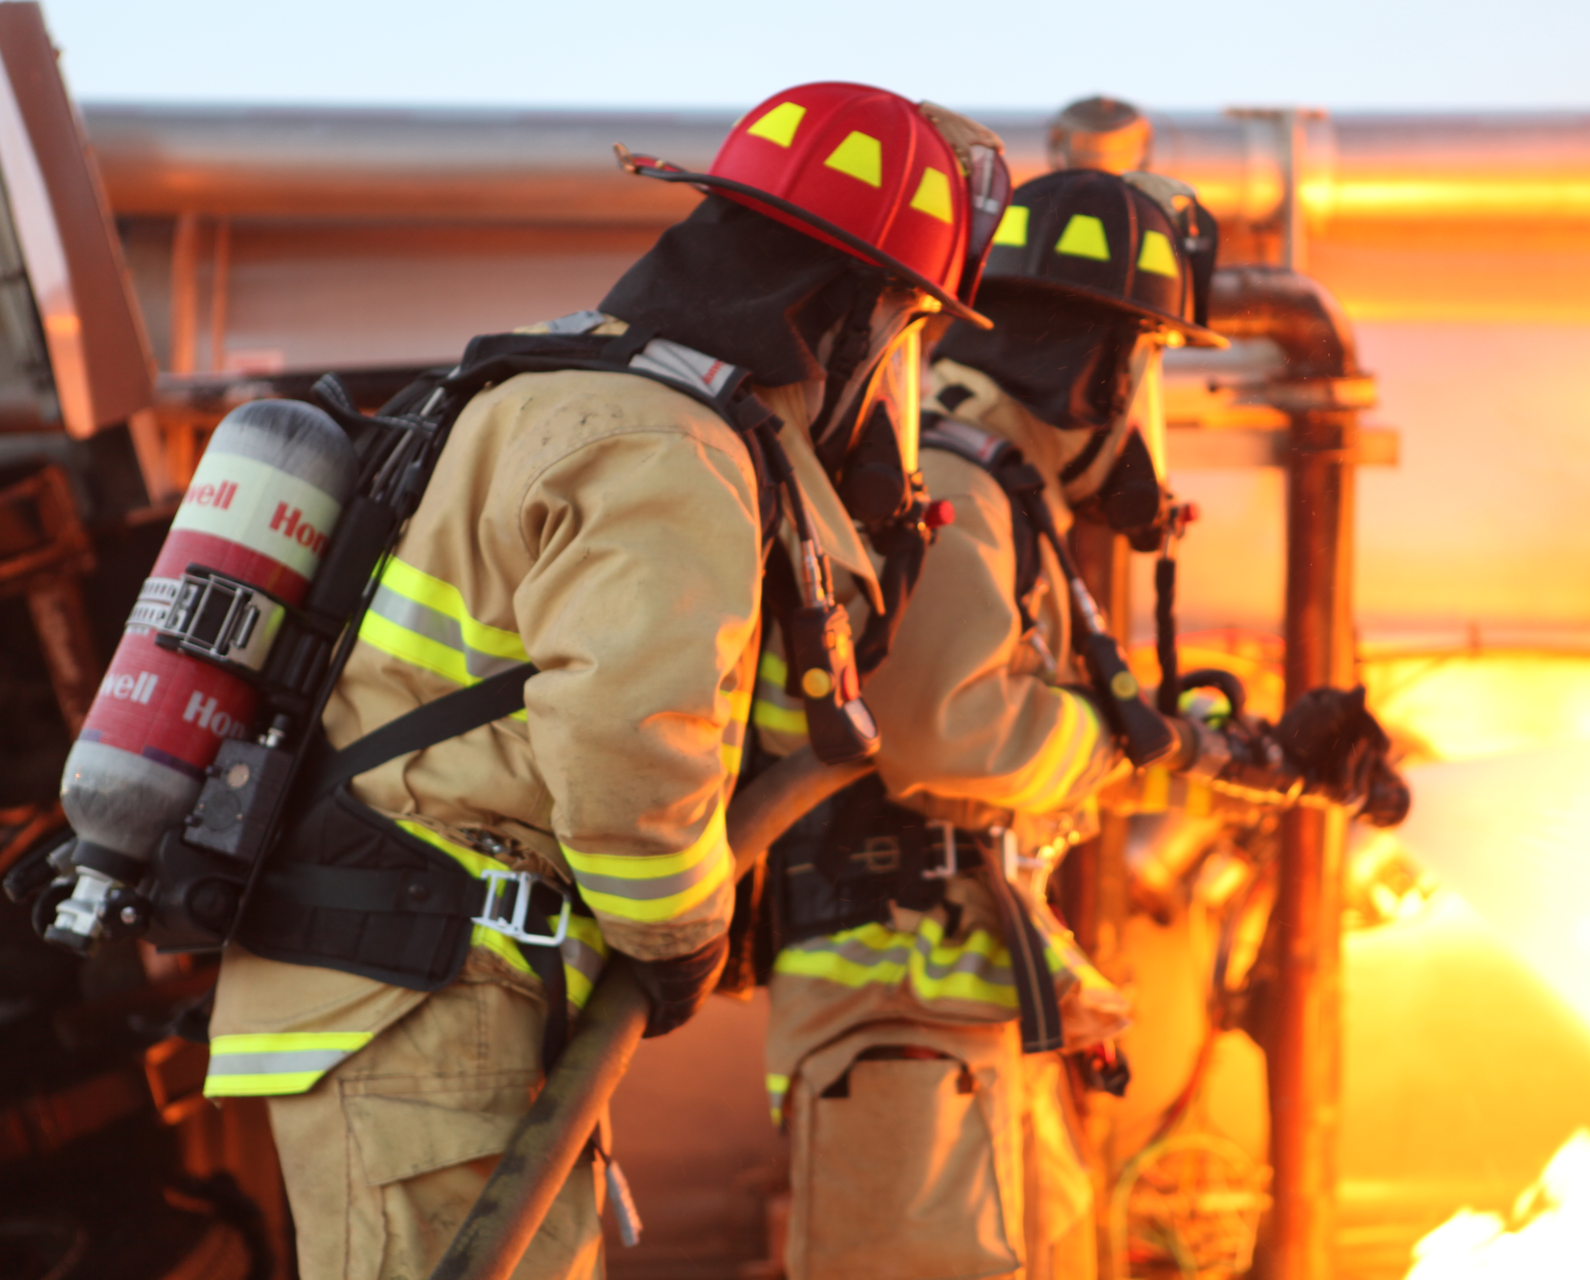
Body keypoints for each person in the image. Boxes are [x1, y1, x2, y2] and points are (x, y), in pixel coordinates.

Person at [198, 81, 1007, 1280]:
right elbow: (633, 743)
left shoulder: (569, 388)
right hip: (431, 994)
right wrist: (680, 930)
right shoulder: (671, 448)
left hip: (423, 989)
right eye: (902, 323)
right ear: (849, 312)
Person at [757, 167, 1405, 1280]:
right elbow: (939, 732)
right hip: (901, 1017)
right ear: (1098, 365)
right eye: (1144, 364)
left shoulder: (994, 489)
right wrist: (1133, 742)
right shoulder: (952, 481)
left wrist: (1262, 761)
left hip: (956, 1016)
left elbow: (1027, 755)